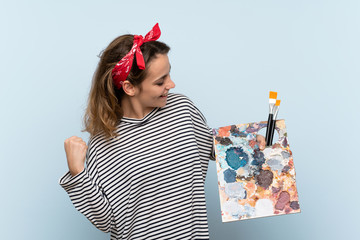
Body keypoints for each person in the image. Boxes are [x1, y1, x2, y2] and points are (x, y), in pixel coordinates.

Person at [59, 23, 265, 240]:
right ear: (129, 88)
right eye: (160, 82)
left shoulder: (182, 109)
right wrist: (77, 173)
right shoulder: (104, 142)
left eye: (169, 75)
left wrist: (249, 142)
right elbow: (105, 221)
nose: (171, 84)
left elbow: (213, 147)